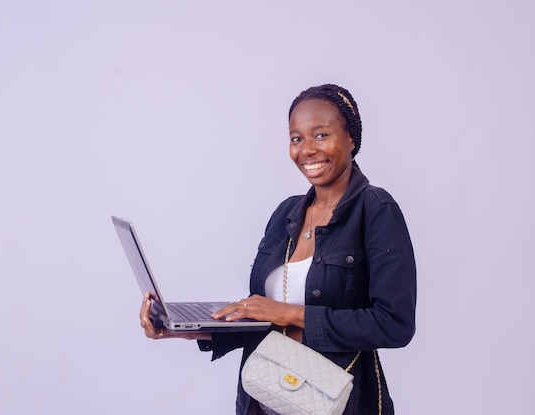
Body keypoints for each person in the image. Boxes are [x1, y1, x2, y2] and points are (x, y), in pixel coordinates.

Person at [139, 84, 417, 414]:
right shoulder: (286, 213)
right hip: (267, 396)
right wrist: (179, 329)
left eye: (321, 135)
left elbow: (394, 324)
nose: (307, 150)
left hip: (335, 401)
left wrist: (286, 312)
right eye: (296, 138)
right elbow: (263, 318)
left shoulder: (376, 210)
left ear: (351, 140)